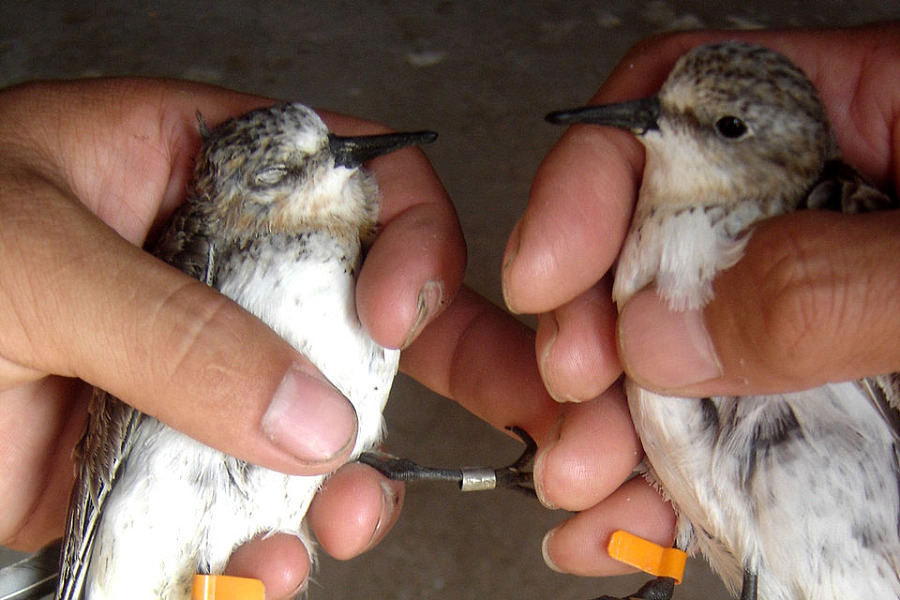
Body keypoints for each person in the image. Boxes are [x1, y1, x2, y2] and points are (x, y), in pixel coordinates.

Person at [0, 78, 577, 598]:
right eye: (281, 173)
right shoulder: (197, 246)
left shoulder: (371, 261)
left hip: (187, 551)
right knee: (347, 490)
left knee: (358, 475)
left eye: (330, 148)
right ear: (241, 199)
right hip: (143, 530)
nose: (343, 161)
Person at [504, 23, 900, 577]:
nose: (646, 118)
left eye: (727, 126)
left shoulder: (839, 215)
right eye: (662, 103)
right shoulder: (646, 218)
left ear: (779, 153)